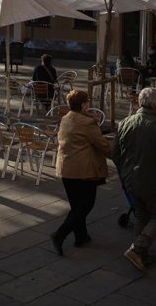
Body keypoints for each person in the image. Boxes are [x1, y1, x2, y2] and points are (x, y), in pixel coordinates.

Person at [113, 87, 156, 271]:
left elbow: (115, 154)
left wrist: (126, 170)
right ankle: (138, 248)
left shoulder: (125, 122)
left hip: (130, 179)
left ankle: (140, 254)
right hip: (153, 181)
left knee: (141, 215)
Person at [50, 90, 111, 256]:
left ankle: (81, 236)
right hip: (84, 170)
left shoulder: (65, 118)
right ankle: (60, 234)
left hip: (66, 169)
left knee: (76, 205)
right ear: (84, 105)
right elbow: (103, 145)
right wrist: (117, 154)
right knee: (86, 204)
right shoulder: (87, 122)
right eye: (87, 102)